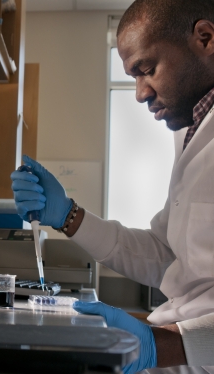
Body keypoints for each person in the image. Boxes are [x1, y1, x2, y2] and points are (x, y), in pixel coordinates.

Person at [11, 1, 214, 373]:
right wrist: (68, 216)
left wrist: (164, 347)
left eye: (147, 70)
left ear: (205, 38)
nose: (139, 93)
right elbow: (166, 255)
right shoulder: (191, 132)